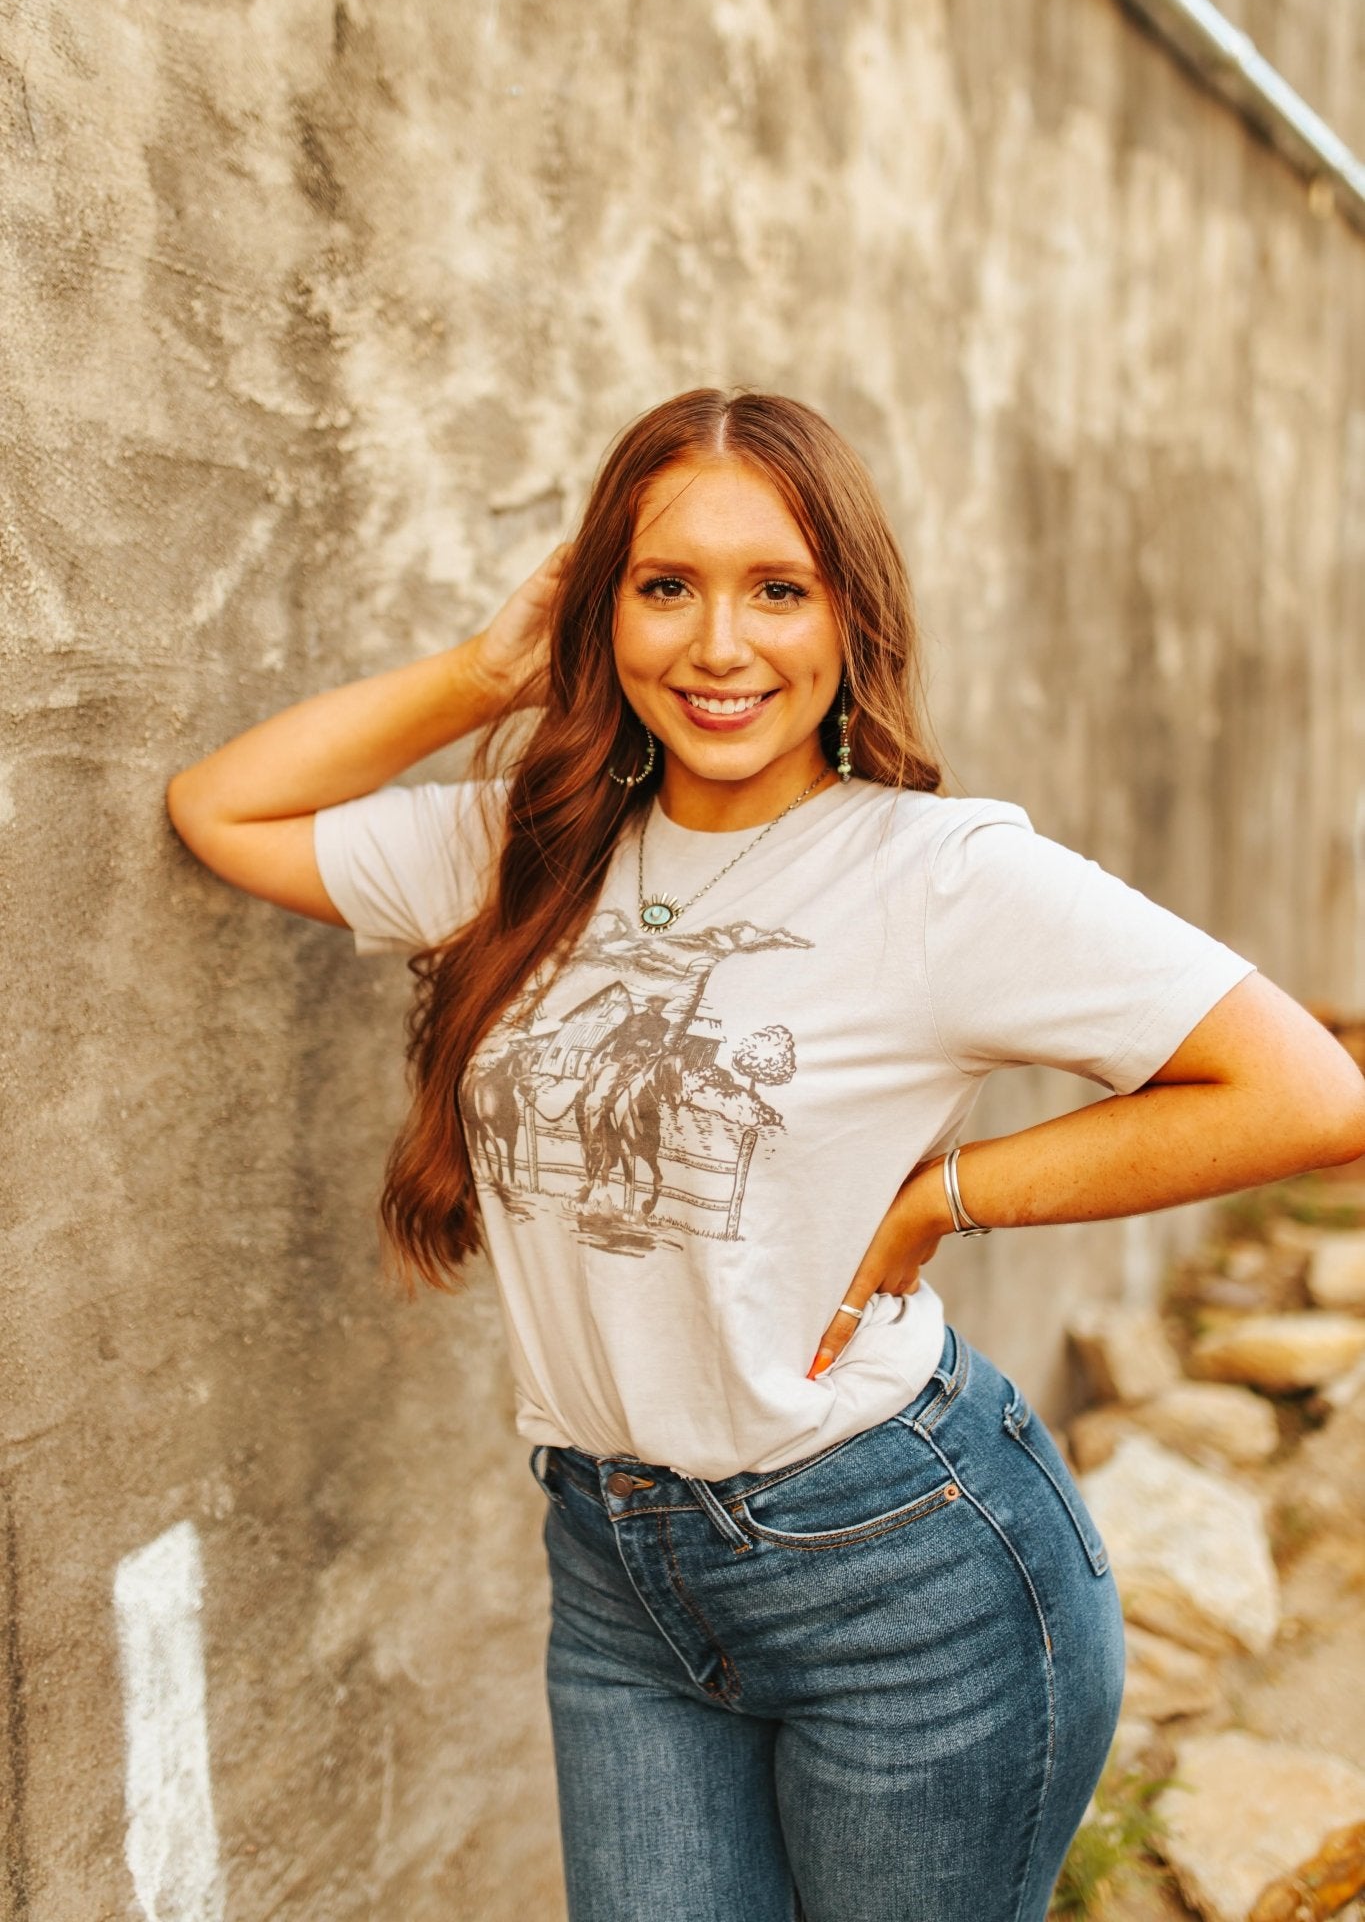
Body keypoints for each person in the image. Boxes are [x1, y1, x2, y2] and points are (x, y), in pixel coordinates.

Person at [166, 387, 1365, 1922]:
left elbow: (1306, 1094)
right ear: (602, 609)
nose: (718, 646)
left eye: (777, 590)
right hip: (617, 1572)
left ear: (851, 614)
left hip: (902, 1574)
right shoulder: (526, 848)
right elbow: (222, 809)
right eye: (666, 586)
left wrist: (946, 1197)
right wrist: (484, 670)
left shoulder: (937, 874)